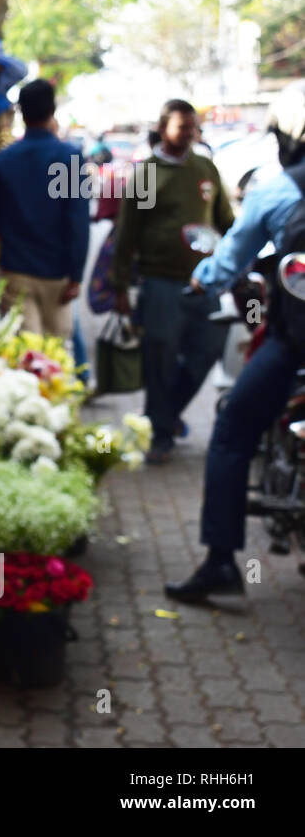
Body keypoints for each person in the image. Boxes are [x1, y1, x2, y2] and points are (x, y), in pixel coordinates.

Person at [165, 81, 305, 600]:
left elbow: (228, 260)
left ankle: (222, 561)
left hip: (294, 343)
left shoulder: (277, 191)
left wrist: (204, 279)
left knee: (230, 429)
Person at [110, 99, 235, 462]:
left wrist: (243, 257)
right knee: (160, 358)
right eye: (183, 127)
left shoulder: (205, 168)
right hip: (159, 281)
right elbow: (126, 235)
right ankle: (160, 434)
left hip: (204, 282)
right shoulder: (147, 174)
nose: (191, 133)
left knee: (209, 349)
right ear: (164, 128)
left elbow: (225, 220)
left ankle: (163, 415)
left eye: (194, 127)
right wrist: (120, 286)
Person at [0, 79, 91, 340]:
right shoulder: (69, 157)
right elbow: (78, 220)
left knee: (26, 356)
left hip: (15, 270)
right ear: (53, 110)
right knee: (55, 362)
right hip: (57, 274)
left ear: (21, 112)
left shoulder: (3, 160)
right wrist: (76, 275)